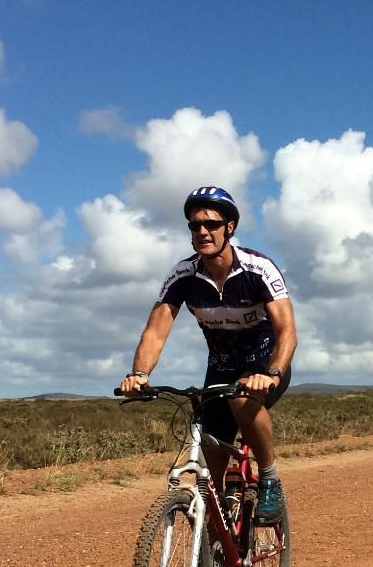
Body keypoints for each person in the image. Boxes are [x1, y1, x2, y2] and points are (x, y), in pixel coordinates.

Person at [119, 186, 296, 522]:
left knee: (243, 402)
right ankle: (214, 560)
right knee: (209, 480)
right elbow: (156, 329)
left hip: (265, 363)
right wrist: (139, 373)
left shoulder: (258, 269)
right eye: (194, 226)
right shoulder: (183, 276)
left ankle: (270, 479)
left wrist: (271, 373)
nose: (202, 231)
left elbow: (287, 330)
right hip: (221, 370)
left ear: (229, 227)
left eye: (211, 224)